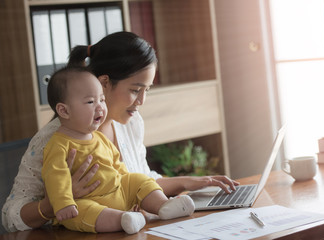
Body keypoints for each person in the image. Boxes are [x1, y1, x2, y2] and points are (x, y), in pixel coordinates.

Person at [2, 31, 239, 232]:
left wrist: (191, 182)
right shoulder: (52, 140)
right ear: (104, 83)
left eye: (147, 89)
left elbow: (137, 177)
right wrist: (57, 200)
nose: (142, 100)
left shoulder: (131, 123)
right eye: (136, 90)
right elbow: (10, 218)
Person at [42, 66, 194, 233]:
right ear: (64, 110)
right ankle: (123, 220)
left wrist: (127, 187)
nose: (100, 107)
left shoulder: (98, 137)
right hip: (89, 200)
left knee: (138, 180)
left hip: (117, 191)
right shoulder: (58, 145)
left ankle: (163, 206)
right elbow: (55, 177)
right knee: (80, 211)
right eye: (91, 102)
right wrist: (65, 203)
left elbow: (117, 165)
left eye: (101, 100)